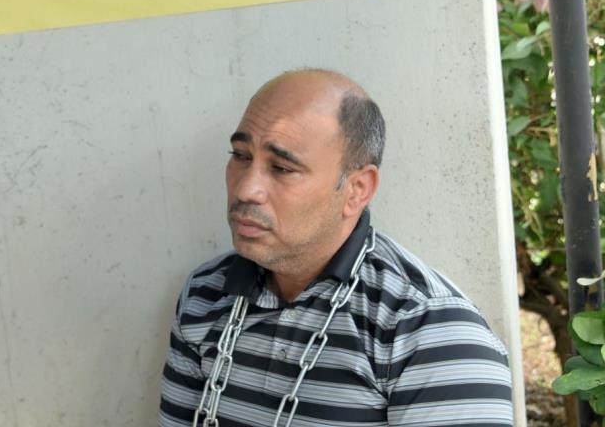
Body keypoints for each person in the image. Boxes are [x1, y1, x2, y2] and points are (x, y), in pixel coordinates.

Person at [158, 69, 513, 426]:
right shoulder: (206, 294)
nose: (246, 190)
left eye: (281, 167)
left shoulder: (430, 330)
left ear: (357, 189)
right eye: (240, 155)